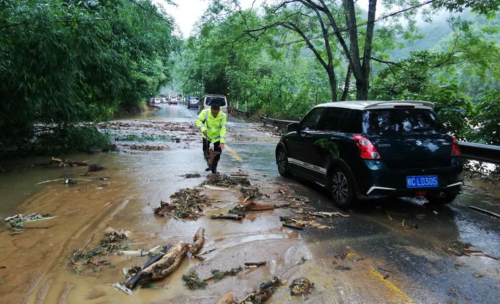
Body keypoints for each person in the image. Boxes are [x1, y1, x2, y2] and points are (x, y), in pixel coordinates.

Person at [195, 103, 227, 173]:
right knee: (205, 150)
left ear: (219, 110)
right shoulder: (205, 112)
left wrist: (222, 141)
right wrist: (203, 129)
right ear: (210, 110)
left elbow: (223, 128)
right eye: (213, 113)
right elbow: (198, 120)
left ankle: (214, 167)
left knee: (218, 152)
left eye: (216, 113)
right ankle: (209, 164)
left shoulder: (223, 116)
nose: (214, 114)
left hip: (217, 136)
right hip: (207, 134)